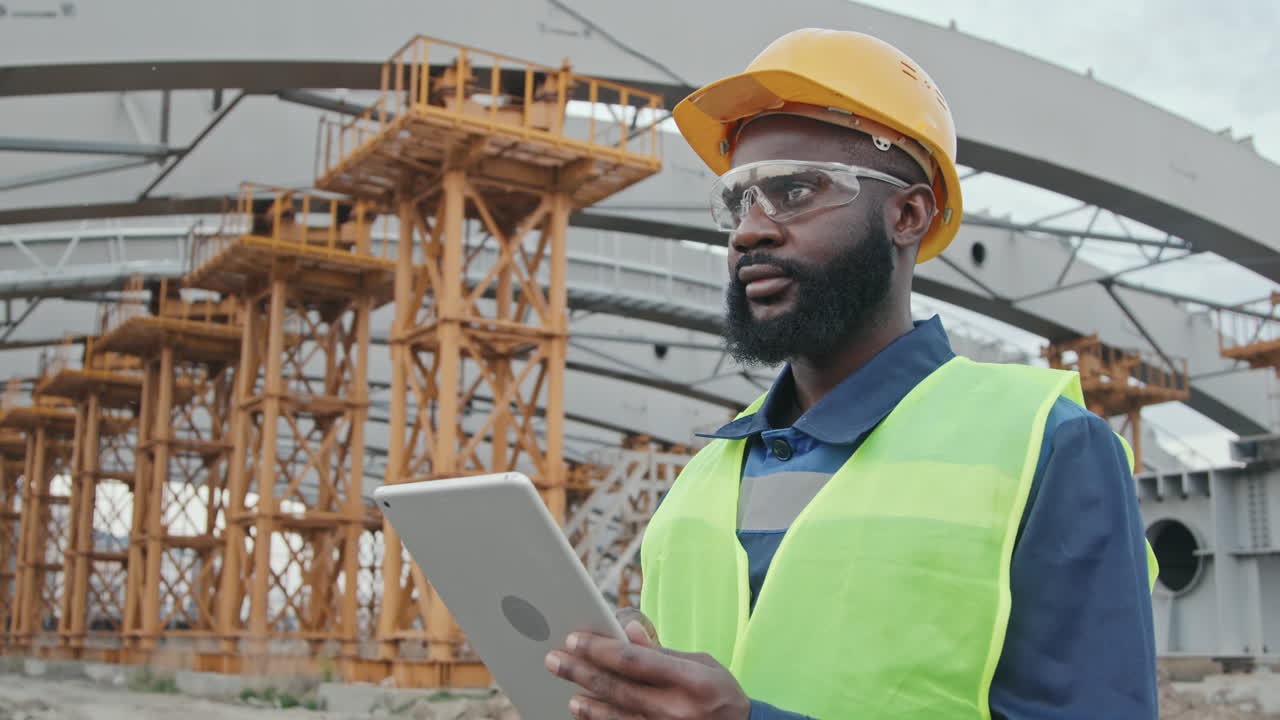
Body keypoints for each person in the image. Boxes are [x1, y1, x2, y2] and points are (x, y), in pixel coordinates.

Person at [545, 28, 1158, 719]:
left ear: (907, 214)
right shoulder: (705, 476)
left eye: (795, 190)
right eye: (737, 201)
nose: (750, 230)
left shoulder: (1046, 448)